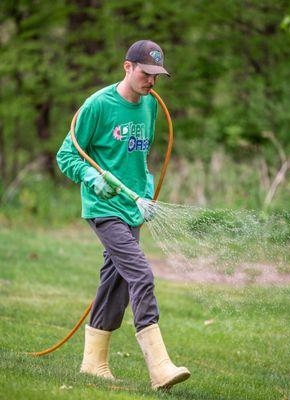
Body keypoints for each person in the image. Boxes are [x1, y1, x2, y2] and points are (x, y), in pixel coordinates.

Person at [56, 40, 190, 390]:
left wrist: (145, 190)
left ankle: (93, 362)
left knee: (113, 282)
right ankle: (159, 366)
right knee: (141, 274)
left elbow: (141, 157)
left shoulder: (150, 106)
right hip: (103, 208)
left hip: (132, 209)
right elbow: (66, 155)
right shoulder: (98, 106)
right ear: (127, 67)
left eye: (157, 76)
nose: (152, 83)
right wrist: (90, 176)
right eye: (146, 74)